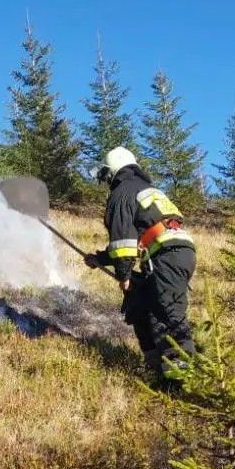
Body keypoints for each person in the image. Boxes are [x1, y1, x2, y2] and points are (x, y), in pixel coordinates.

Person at [84, 147, 196, 389]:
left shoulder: (122, 193)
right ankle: (157, 371)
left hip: (166, 255)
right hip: (172, 253)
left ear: (112, 172)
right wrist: (101, 259)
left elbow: (124, 242)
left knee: (167, 316)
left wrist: (123, 275)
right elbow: (134, 239)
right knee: (140, 306)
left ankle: (179, 385)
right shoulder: (141, 188)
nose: (106, 182)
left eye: (106, 176)